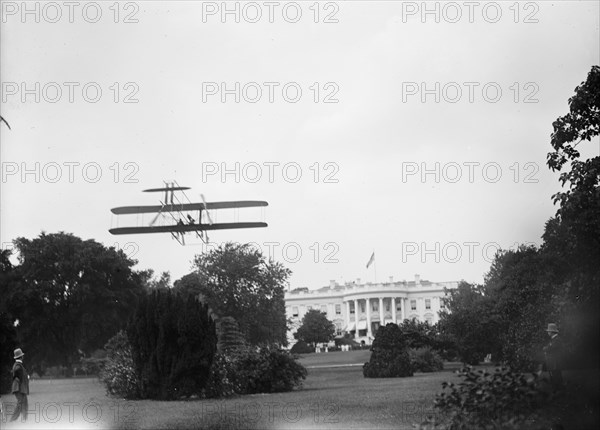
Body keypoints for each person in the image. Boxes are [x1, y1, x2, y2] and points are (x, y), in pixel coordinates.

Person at [543, 323, 564, 391]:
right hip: (553, 361)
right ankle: (558, 388)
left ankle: (558, 388)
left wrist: (546, 348)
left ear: (552, 332)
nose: (548, 332)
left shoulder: (557, 339)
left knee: (556, 375)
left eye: (549, 331)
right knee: (555, 375)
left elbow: (550, 348)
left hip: (555, 361)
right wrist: (547, 348)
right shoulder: (553, 339)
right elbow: (550, 347)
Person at [10, 348, 29, 422]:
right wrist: (19, 377)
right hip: (18, 388)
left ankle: (24, 419)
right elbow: (16, 371)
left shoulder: (18, 365)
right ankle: (13, 419)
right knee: (20, 404)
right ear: (21, 357)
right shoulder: (18, 365)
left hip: (19, 388)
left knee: (24, 403)